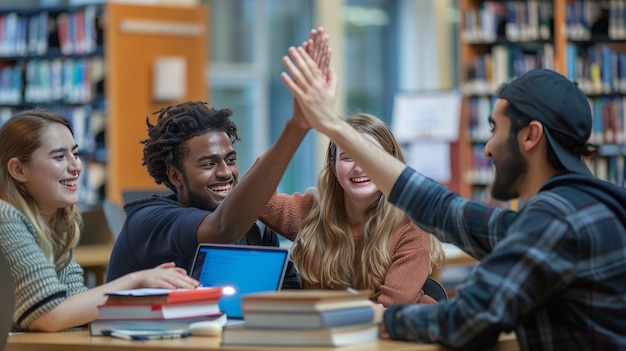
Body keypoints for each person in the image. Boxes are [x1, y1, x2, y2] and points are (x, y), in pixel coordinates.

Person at [282, 45, 626, 350]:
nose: (488, 149)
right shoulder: (582, 206)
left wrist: (379, 317)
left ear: (530, 137)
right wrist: (333, 127)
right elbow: (444, 211)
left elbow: (468, 321)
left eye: (495, 130)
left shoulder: (556, 220)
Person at [106, 29, 331, 288]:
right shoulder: (149, 221)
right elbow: (223, 229)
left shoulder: (255, 229)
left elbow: (284, 298)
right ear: (175, 175)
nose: (226, 172)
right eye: (209, 163)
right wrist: (297, 128)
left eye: (230, 159)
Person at [0, 110, 200, 332]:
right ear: (18, 170)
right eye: (59, 157)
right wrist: (136, 281)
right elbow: (49, 315)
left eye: (75, 154)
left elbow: (76, 306)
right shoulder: (5, 218)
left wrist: (155, 298)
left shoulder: (57, 222)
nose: (75, 166)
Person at [259, 113, 445, 307]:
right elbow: (253, 193)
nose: (359, 167)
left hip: (395, 334)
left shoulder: (410, 224)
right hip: (324, 333)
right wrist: (293, 131)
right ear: (333, 167)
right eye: (348, 157)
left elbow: (391, 309)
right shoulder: (312, 213)